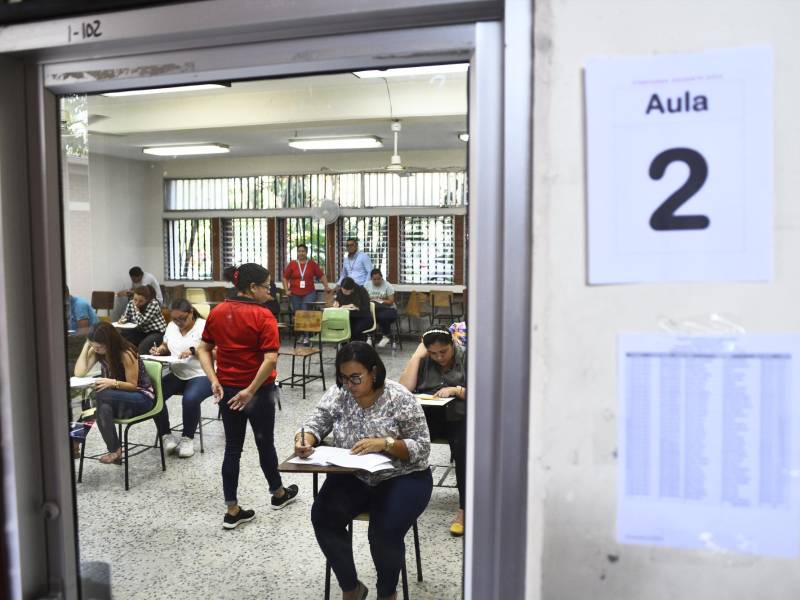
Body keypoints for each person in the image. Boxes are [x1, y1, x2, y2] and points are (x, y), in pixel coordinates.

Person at [295, 342, 432, 600]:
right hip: (354, 474)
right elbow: (317, 421)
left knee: (383, 532)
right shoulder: (339, 394)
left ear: (374, 373)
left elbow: (423, 447)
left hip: (403, 476)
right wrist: (306, 439)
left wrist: (386, 444)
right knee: (323, 517)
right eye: (343, 378)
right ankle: (351, 588)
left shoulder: (399, 397)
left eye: (355, 378)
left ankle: (386, 593)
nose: (349, 384)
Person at [197, 263, 299, 529]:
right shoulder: (263, 316)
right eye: (267, 286)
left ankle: (232, 510)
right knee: (265, 443)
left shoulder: (218, 311)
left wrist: (214, 380)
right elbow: (270, 360)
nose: (270, 292)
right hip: (258, 392)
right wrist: (250, 391)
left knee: (233, 448)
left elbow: (203, 349)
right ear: (252, 288)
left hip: (229, 391)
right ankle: (278, 494)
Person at [399, 328, 467, 537]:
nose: (438, 357)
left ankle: (464, 510)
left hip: (460, 415)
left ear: (452, 345)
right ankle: (400, 497)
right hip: (430, 415)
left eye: (443, 352)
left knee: (464, 449)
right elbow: (404, 389)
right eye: (433, 353)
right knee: (401, 441)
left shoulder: (467, 356)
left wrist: (456, 390)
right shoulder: (424, 358)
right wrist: (417, 355)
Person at [74, 322, 155, 464]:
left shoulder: (126, 353)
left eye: (99, 347)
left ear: (109, 343)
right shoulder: (97, 351)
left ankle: (75, 440)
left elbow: (133, 386)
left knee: (96, 394)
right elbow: (79, 373)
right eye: (93, 345)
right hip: (113, 400)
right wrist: (87, 346)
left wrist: (113, 383)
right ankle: (115, 450)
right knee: (101, 408)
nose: (95, 349)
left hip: (141, 398)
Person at [149, 299, 213, 458]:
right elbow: (166, 345)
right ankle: (166, 435)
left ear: (191, 313)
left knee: (190, 399)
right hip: (178, 373)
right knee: (152, 394)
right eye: (175, 319)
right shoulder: (172, 326)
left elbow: (218, 352)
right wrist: (160, 350)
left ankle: (187, 439)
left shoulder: (204, 326)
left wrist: (193, 351)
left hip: (202, 373)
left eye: (183, 319)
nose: (179, 323)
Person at [282, 243, 330, 344]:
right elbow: (285, 278)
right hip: (295, 293)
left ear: (306, 252)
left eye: (303, 251)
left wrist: (326, 286)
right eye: (299, 251)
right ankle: (302, 335)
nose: (301, 253)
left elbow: (321, 276)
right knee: (298, 314)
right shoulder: (292, 264)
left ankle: (307, 337)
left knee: (305, 312)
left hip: (309, 293)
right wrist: (286, 290)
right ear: (297, 253)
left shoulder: (312, 264)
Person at [117, 285, 167, 355]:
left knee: (143, 347)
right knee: (120, 337)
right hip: (141, 331)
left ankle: (141, 363)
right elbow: (126, 316)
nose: (137, 303)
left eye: (141, 301)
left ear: (147, 300)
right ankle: (129, 360)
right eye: (135, 299)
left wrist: (137, 311)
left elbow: (141, 322)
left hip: (156, 332)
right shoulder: (131, 303)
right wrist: (122, 320)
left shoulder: (153, 304)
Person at [363, 268, 397, 348]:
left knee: (382, 316)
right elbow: (363, 299)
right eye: (374, 279)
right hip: (373, 309)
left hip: (388, 309)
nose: (377, 281)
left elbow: (391, 301)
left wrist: (379, 300)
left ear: (382, 278)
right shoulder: (367, 285)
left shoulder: (388, 286)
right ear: (371, 279)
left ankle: (386, 336)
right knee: (366, 315)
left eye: (379, 279)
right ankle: (369, 337)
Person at [333, 277, 372, 342]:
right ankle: (346, 348)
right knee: (342, 328)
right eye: (343, 290)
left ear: (352, 289)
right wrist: (336, 303)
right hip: (348, 317)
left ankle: (358, 347)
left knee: (355, 330)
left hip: (363, 317)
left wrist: (357, 308)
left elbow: (366, 307)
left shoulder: (361, 291)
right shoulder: (341, 291)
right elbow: (338, 301)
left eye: (346, 291)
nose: (343, 292)